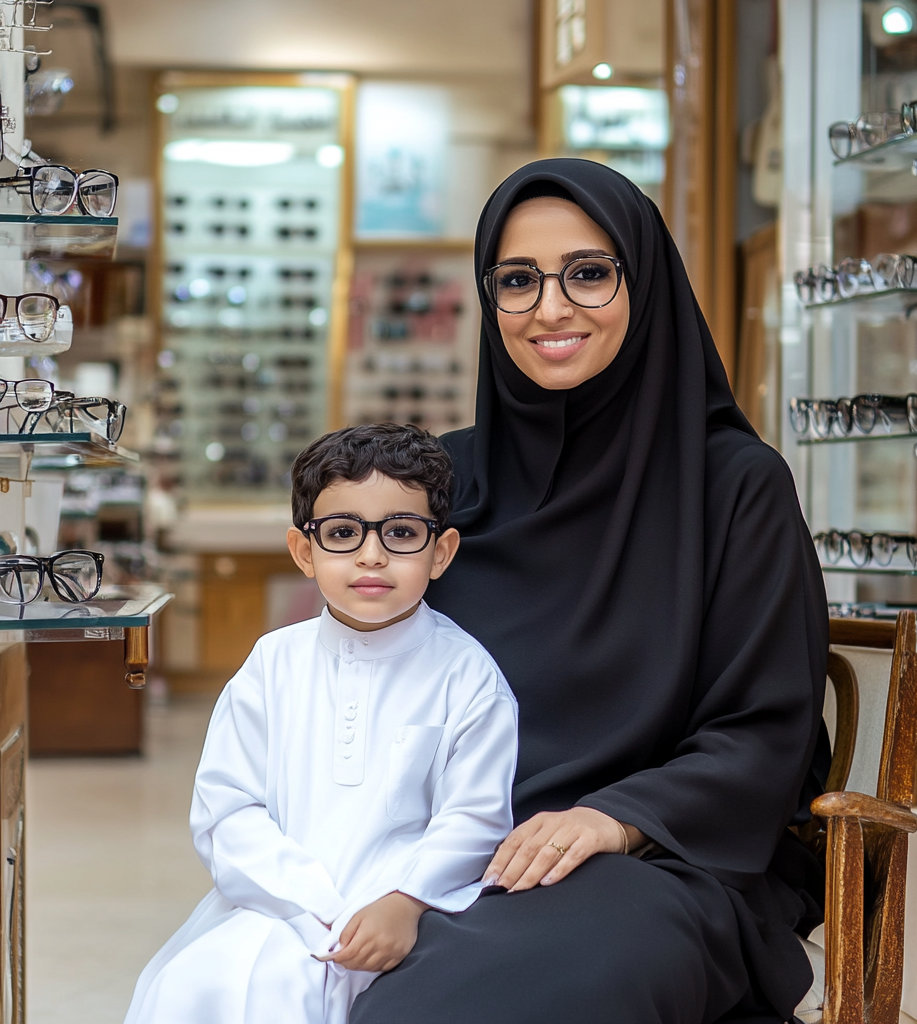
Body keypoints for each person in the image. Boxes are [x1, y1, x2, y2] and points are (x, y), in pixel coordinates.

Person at [350, 160, 830, 1024]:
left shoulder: (733, 487)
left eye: (589, 273)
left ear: (643, 284)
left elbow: (765, 726)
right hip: (441, 848)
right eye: (518, 280)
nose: (550, 308)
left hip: (659, 862)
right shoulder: (446, 483)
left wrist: (615, 818)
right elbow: (364, 672)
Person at [123, 423, 518, 1024]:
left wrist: (402, 901)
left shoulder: (468, 676)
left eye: (402, 533)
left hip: (413, 911)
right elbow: (228, 807)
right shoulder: (272, 663)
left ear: (441, 553)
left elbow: (473, 819)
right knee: (198, 987)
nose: (371, 555)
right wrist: (312, 902)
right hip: (277, 904)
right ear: (304, 551)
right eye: (342, 533)